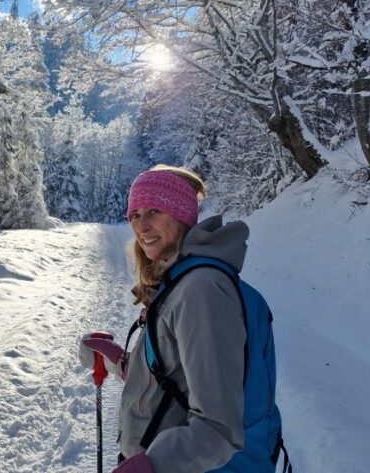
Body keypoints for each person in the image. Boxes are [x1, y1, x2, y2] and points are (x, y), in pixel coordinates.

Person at [79, 165, 278, 473]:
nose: (141, 226)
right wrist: (121, 362)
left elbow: (218, 429)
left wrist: (152, 466)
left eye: (154, 211)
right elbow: (176, 376)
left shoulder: (201, 290)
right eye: (134, 215)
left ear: (182, 215)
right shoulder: (181, 279)